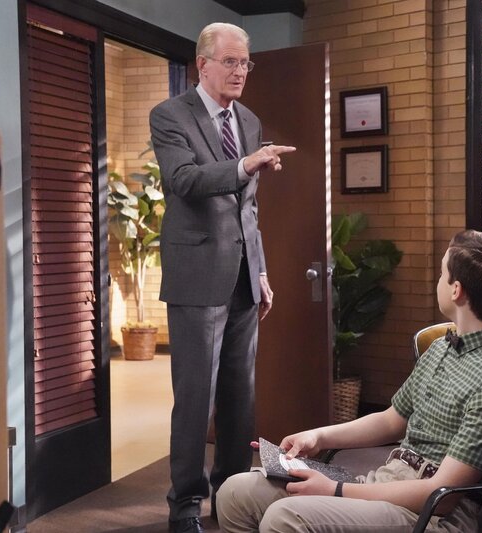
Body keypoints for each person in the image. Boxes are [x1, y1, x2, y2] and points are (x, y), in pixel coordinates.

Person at [216, 230, 482, 532]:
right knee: (236, 492)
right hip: (388, 482)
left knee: (286, 517)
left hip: (434, 515)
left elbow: (442, 496)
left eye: (442, 274)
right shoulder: (441, 347)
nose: (438, 282)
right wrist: (318, 437)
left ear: (456, 290)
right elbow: (392, 420)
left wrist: (335, 490)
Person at [149, 22, 296, 533]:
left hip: (242, 278)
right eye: (230, 62)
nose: (240, 72)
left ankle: (231, 496)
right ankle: (185, 507)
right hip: (196, 277)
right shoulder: (171, 115)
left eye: (245, 63)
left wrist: (261, 270)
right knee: (196, 398)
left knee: (239, 397)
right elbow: (183, 180)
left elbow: (248, 210)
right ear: (203, 65)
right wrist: (244, 165)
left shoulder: (248, 120)